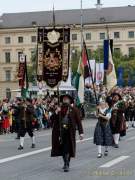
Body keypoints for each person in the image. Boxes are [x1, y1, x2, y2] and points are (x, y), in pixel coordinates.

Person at [51, 94, 84, 172]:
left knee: (67, 148)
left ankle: (66, 164)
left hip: (69, 132)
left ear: (69, 100)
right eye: (64, 99)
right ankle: (66, 162)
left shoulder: (74, 109)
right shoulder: (59, 109)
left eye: (66, 99)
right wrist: (56, 112)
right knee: (62, 148)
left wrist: (81, 133)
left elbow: (78, 122)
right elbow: (51, 119)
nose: (65, 100)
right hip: (59, 132)